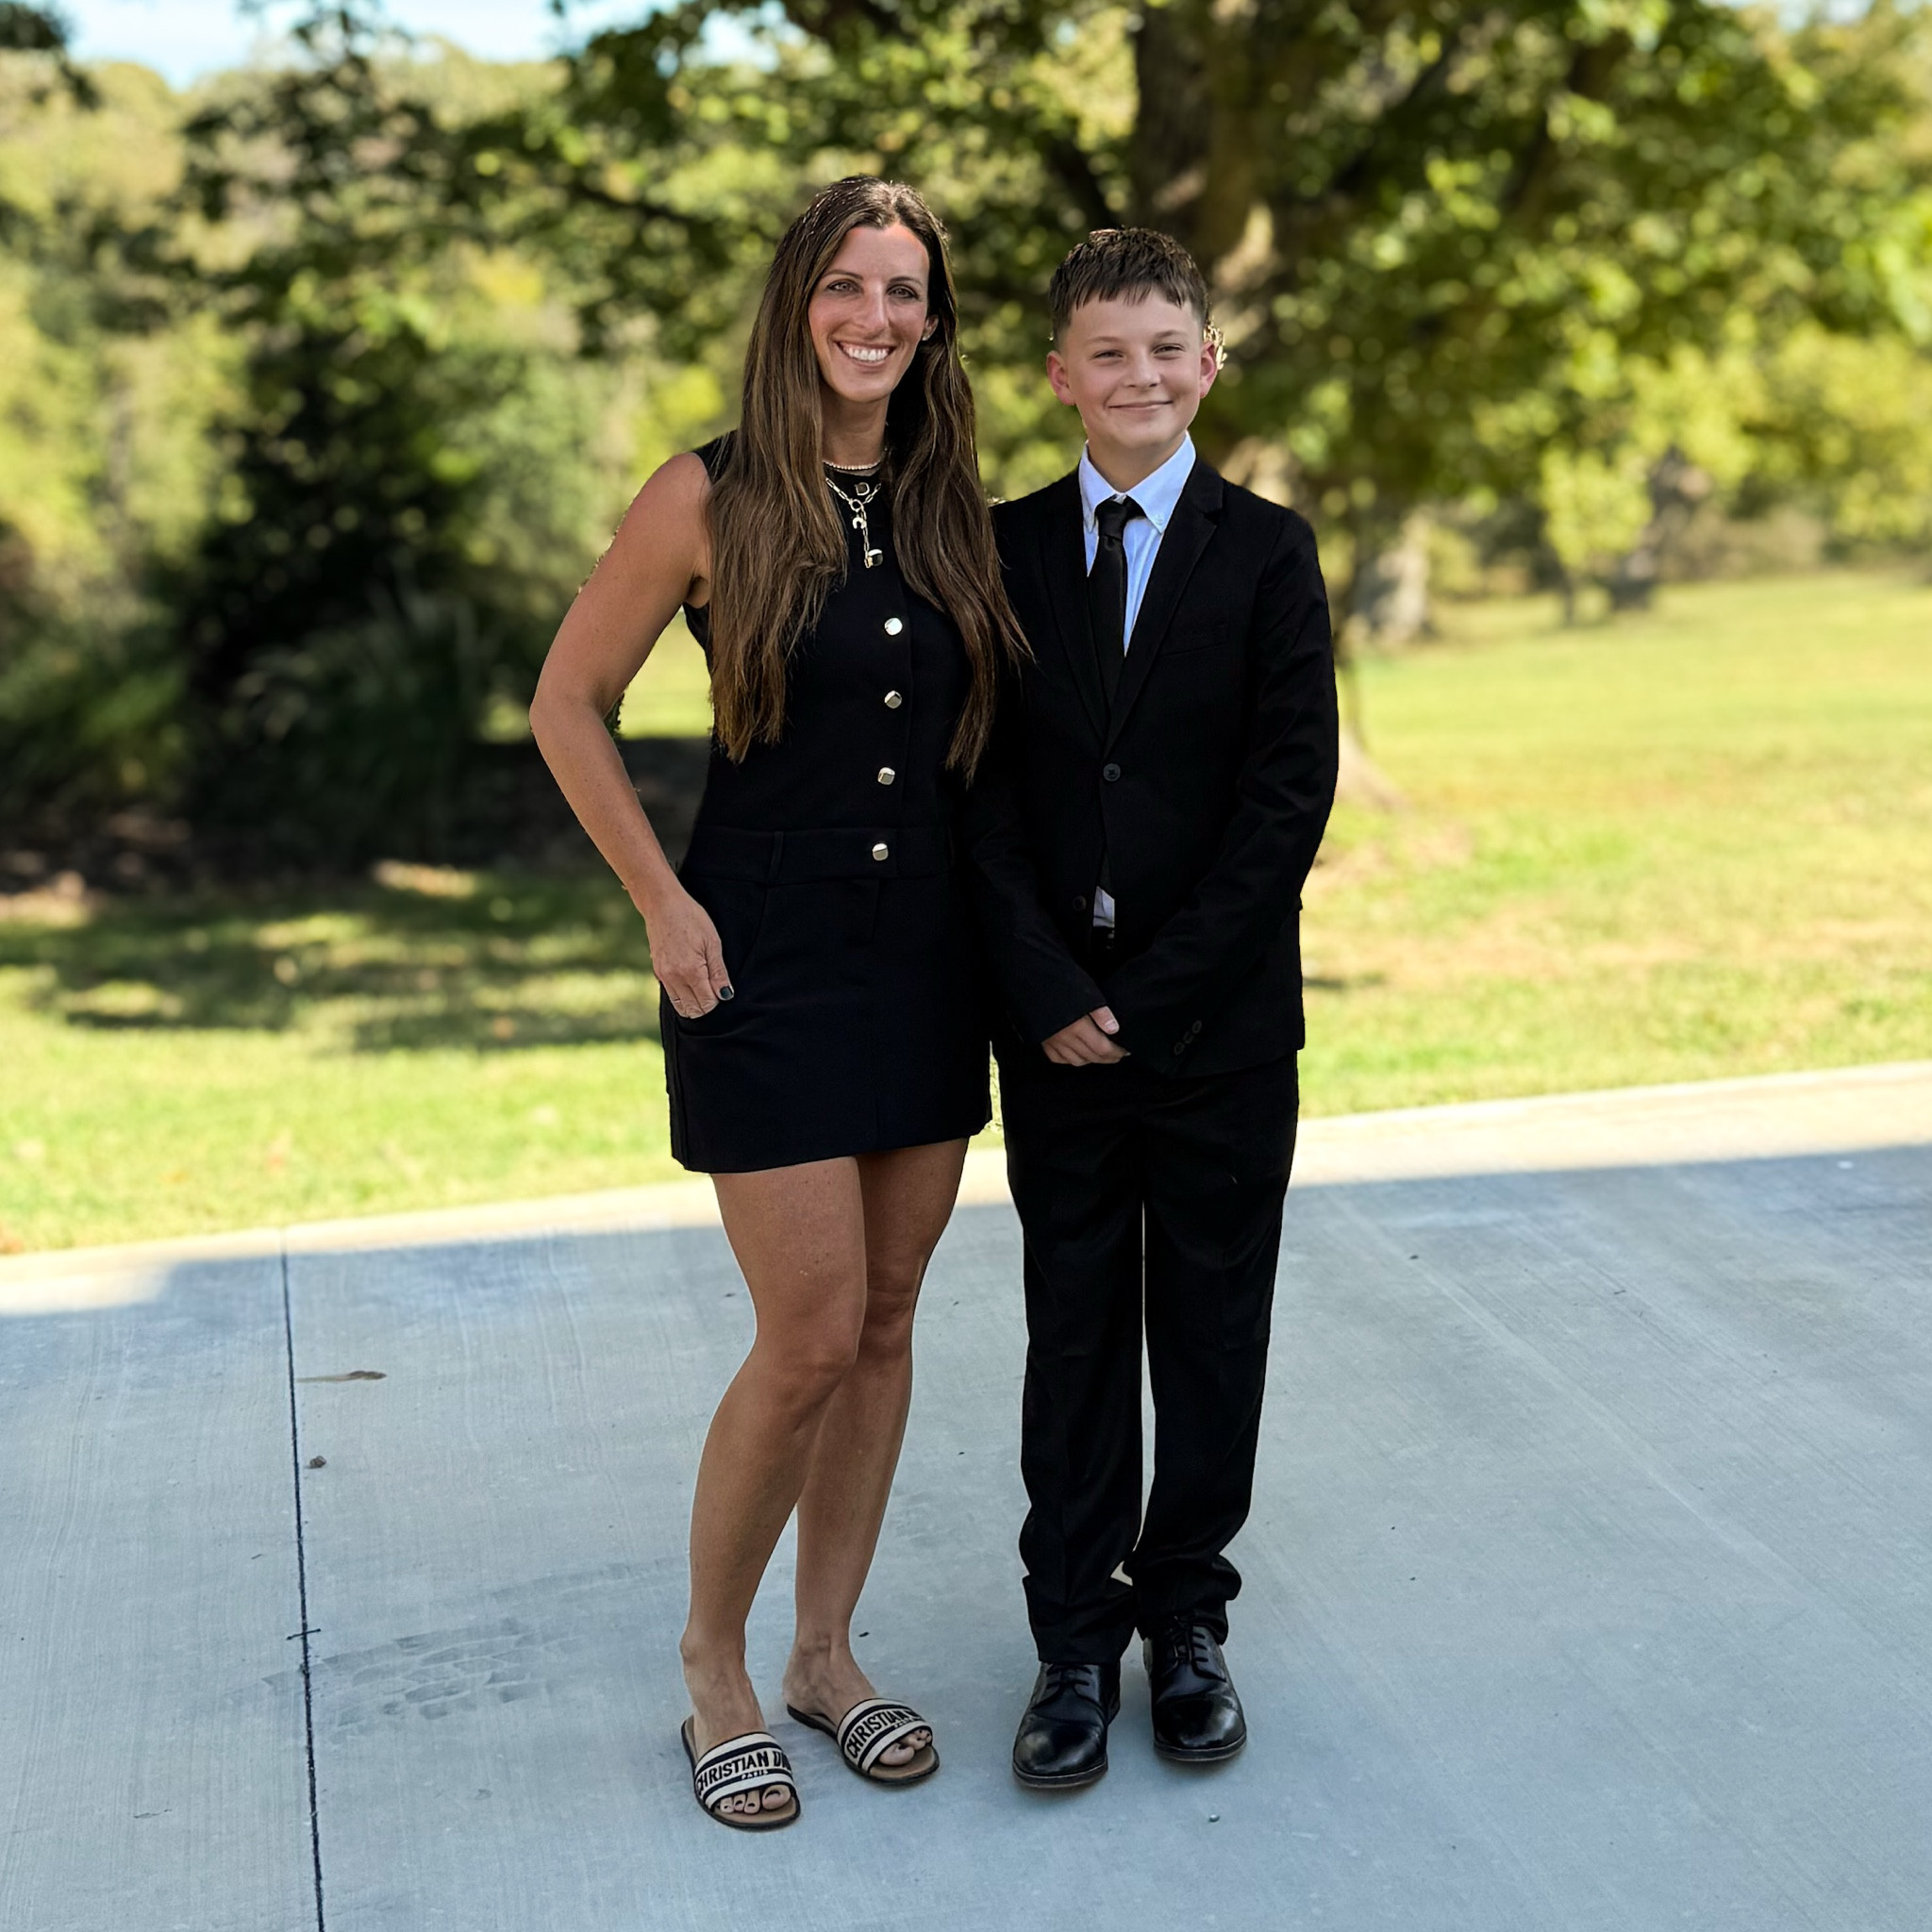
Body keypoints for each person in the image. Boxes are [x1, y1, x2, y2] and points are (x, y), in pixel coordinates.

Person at [530, 175, 1026, 1832]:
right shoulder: (709, 492)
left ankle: (826, 1656)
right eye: (845, 286)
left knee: (887, 1325)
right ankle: (715, 1671)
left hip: (926, 964)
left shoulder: (956, 500)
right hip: (761, 964)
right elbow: (567, 703)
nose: (874, 317)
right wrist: (662, 904)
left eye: (904, 291)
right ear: (794, 302)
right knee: (806, 1333)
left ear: (934, 320)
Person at [963, 227, 1340, 1789]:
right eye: (1105, 352)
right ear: (1059, 374)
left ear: (1209, 365)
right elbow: (967, 794)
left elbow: (1286, 798)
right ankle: (1070, 1640)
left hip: (1220, 1034)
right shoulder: (995, 550)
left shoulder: (1269, 552)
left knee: (1206, 1328)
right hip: (1053, 1033)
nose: (1139, 376)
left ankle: (1186, 1625)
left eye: (1166, 349)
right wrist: (1050, 992)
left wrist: (1157, 997)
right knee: (1073, 1335)